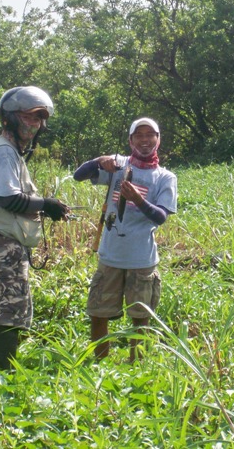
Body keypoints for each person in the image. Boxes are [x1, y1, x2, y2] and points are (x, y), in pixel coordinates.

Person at [0, 86, 70, 370]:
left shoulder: (10, 151)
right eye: (29, 117)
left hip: (1, 242)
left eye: (40, 119)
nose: (35, 124)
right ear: (10, 118)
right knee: (9, 311)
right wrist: (46, 205)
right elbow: (6, 197)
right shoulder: (4, 152)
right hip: (4, 244)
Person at [74, 117, 177, 362]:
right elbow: (79, 175)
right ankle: (99, 363)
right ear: (130, 140)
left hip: (142, 259)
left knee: (140, 316)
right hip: (110, 256)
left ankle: (136, 364)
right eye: (139, 135)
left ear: (158, 139)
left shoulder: (165, 177)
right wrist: (99, 161)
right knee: (99, 313)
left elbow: (161, 216)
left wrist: (139, 200)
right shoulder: (118, 166)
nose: (145, 140)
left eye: (150, 135)